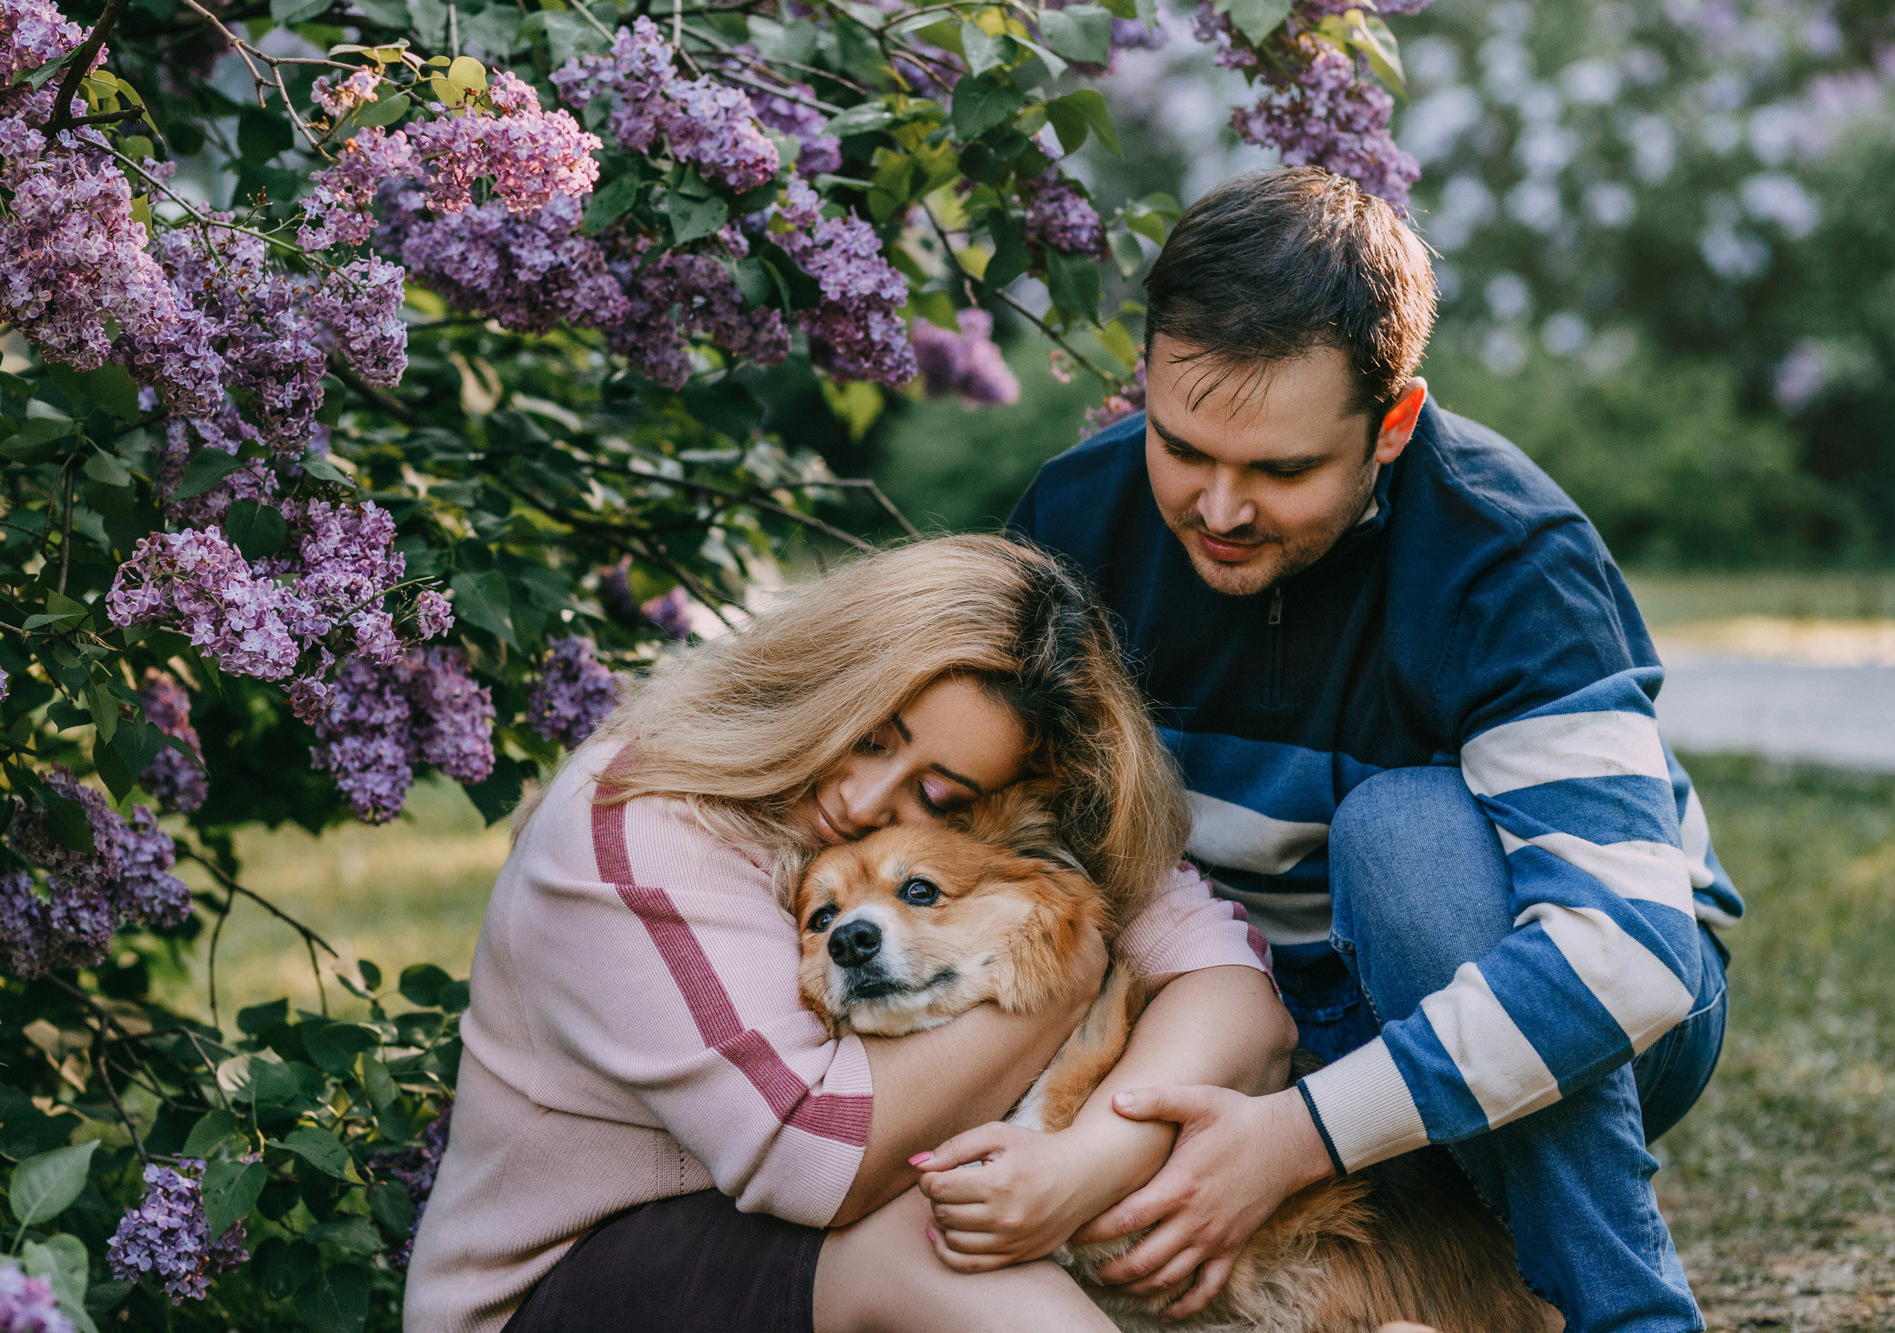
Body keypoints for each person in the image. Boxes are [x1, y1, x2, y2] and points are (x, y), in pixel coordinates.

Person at [996, 167, 1738, 1332]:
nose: (1220, 510)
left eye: (1282, 471)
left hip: (1540, 988)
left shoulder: (1508, 558)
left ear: (1390, 425)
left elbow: (1625, 958)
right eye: (1182, 447)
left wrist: (1291, 1136)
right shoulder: (1072, 520)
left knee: (1402, 835)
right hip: (1238, 1003)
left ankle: (1627, 1313)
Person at [402, 535, 1292, 1333]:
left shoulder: (981, 836)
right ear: (831, 670)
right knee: (927, 1221)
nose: (865, 804)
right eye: (869, 734)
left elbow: (1240, 1001)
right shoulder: (646, 817)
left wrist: (1090, 1163)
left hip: (788, 1259)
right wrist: (1063, 971)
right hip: (563, 1289)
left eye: (938, 796)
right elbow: (819, 1157)